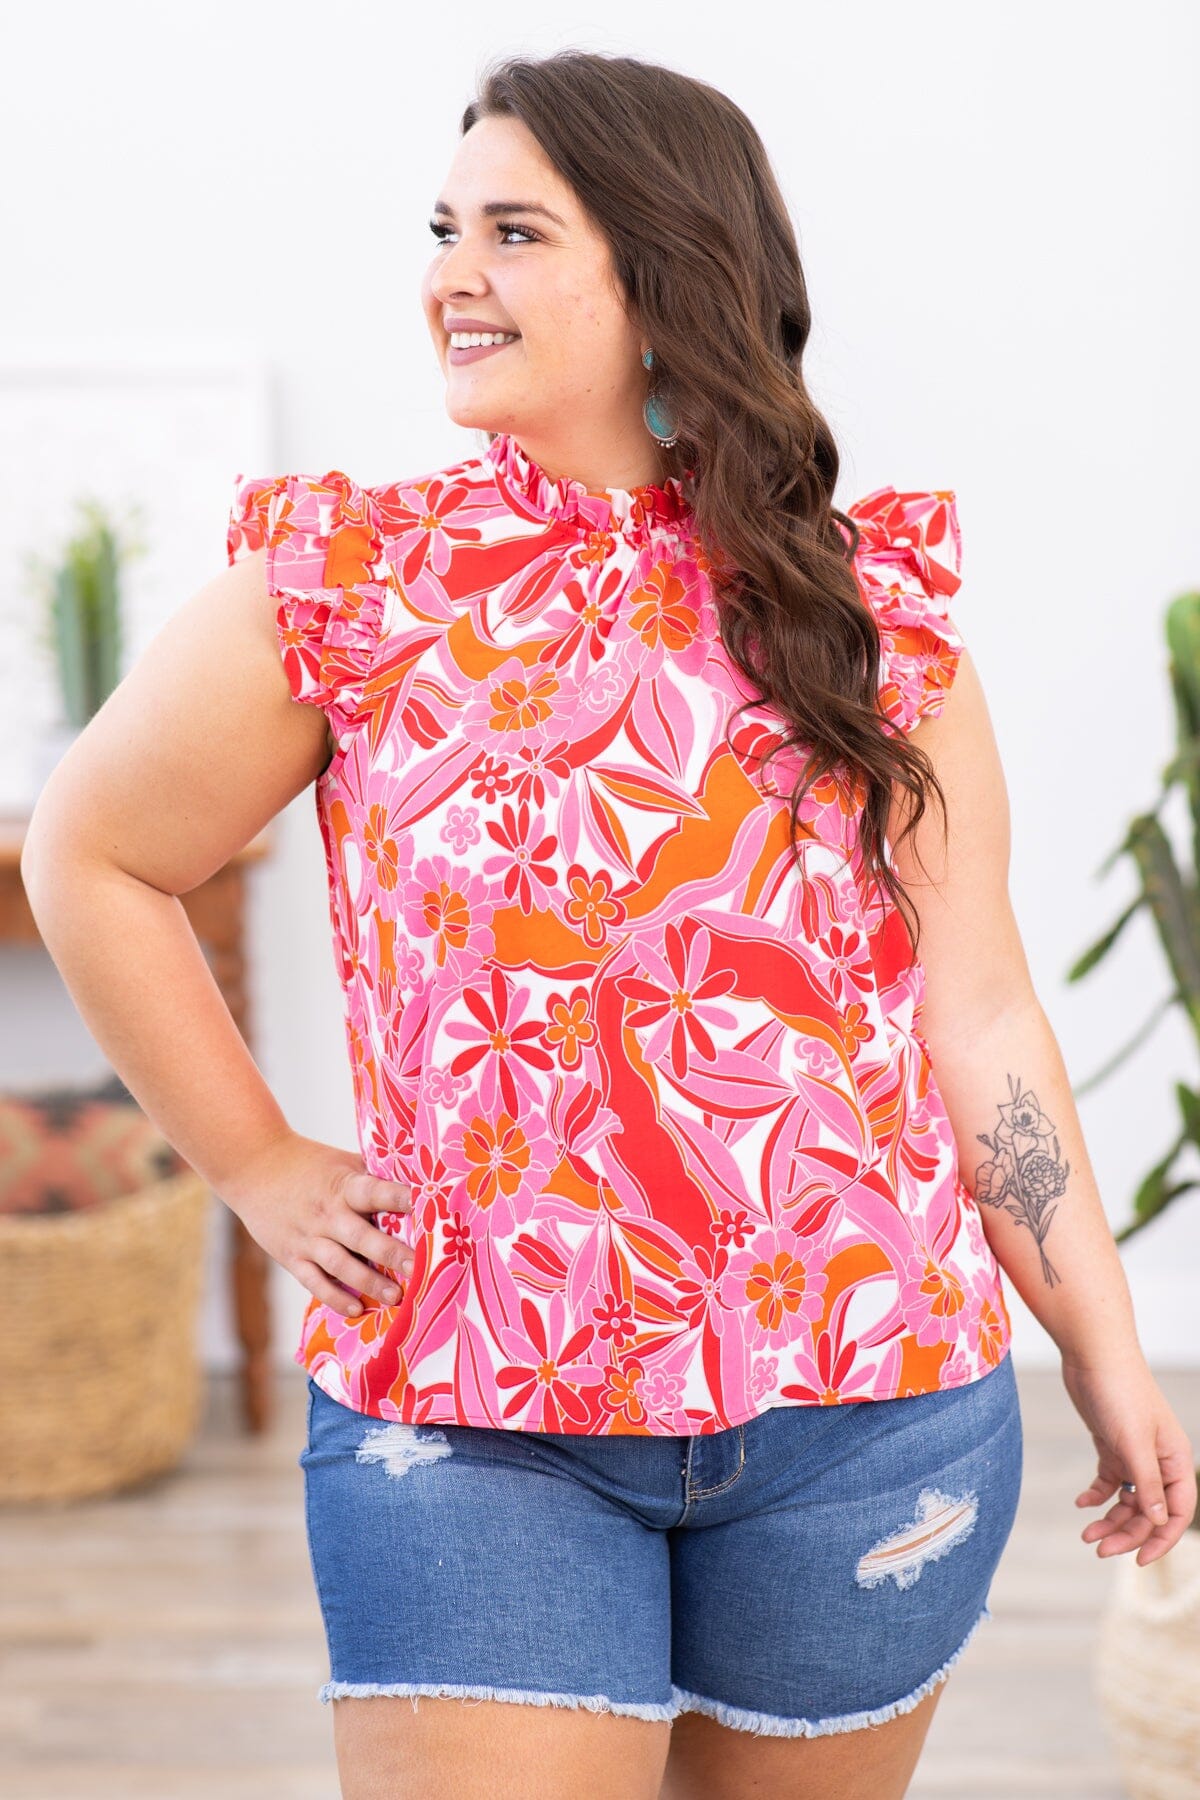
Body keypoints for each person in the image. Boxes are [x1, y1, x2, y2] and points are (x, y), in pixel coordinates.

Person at [22, 46, 1195, 1800]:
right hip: (476, 1419)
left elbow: (982, 1019)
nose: (451, 274)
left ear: (669, 275)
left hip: (868, 1421)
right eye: (443, 229)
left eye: (514, 232)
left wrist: (1104, 1350)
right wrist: (255, 1164)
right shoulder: (351, 588)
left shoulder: (871, 611)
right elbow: (91, 853)